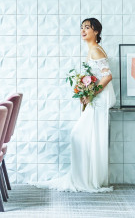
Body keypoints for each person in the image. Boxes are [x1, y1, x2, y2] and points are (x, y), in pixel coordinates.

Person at [36, 18, 116, 193]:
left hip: (99, 102)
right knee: (89, 138)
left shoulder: (95, 50)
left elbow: (107, 76)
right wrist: (85, 90)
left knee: (80, 135)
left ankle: (87, 180)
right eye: (81, 28)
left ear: (96, 31)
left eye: (87, 27)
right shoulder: (93, 50)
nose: (83, 30)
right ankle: (88, 177)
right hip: (95, 101)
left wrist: (92, 93)